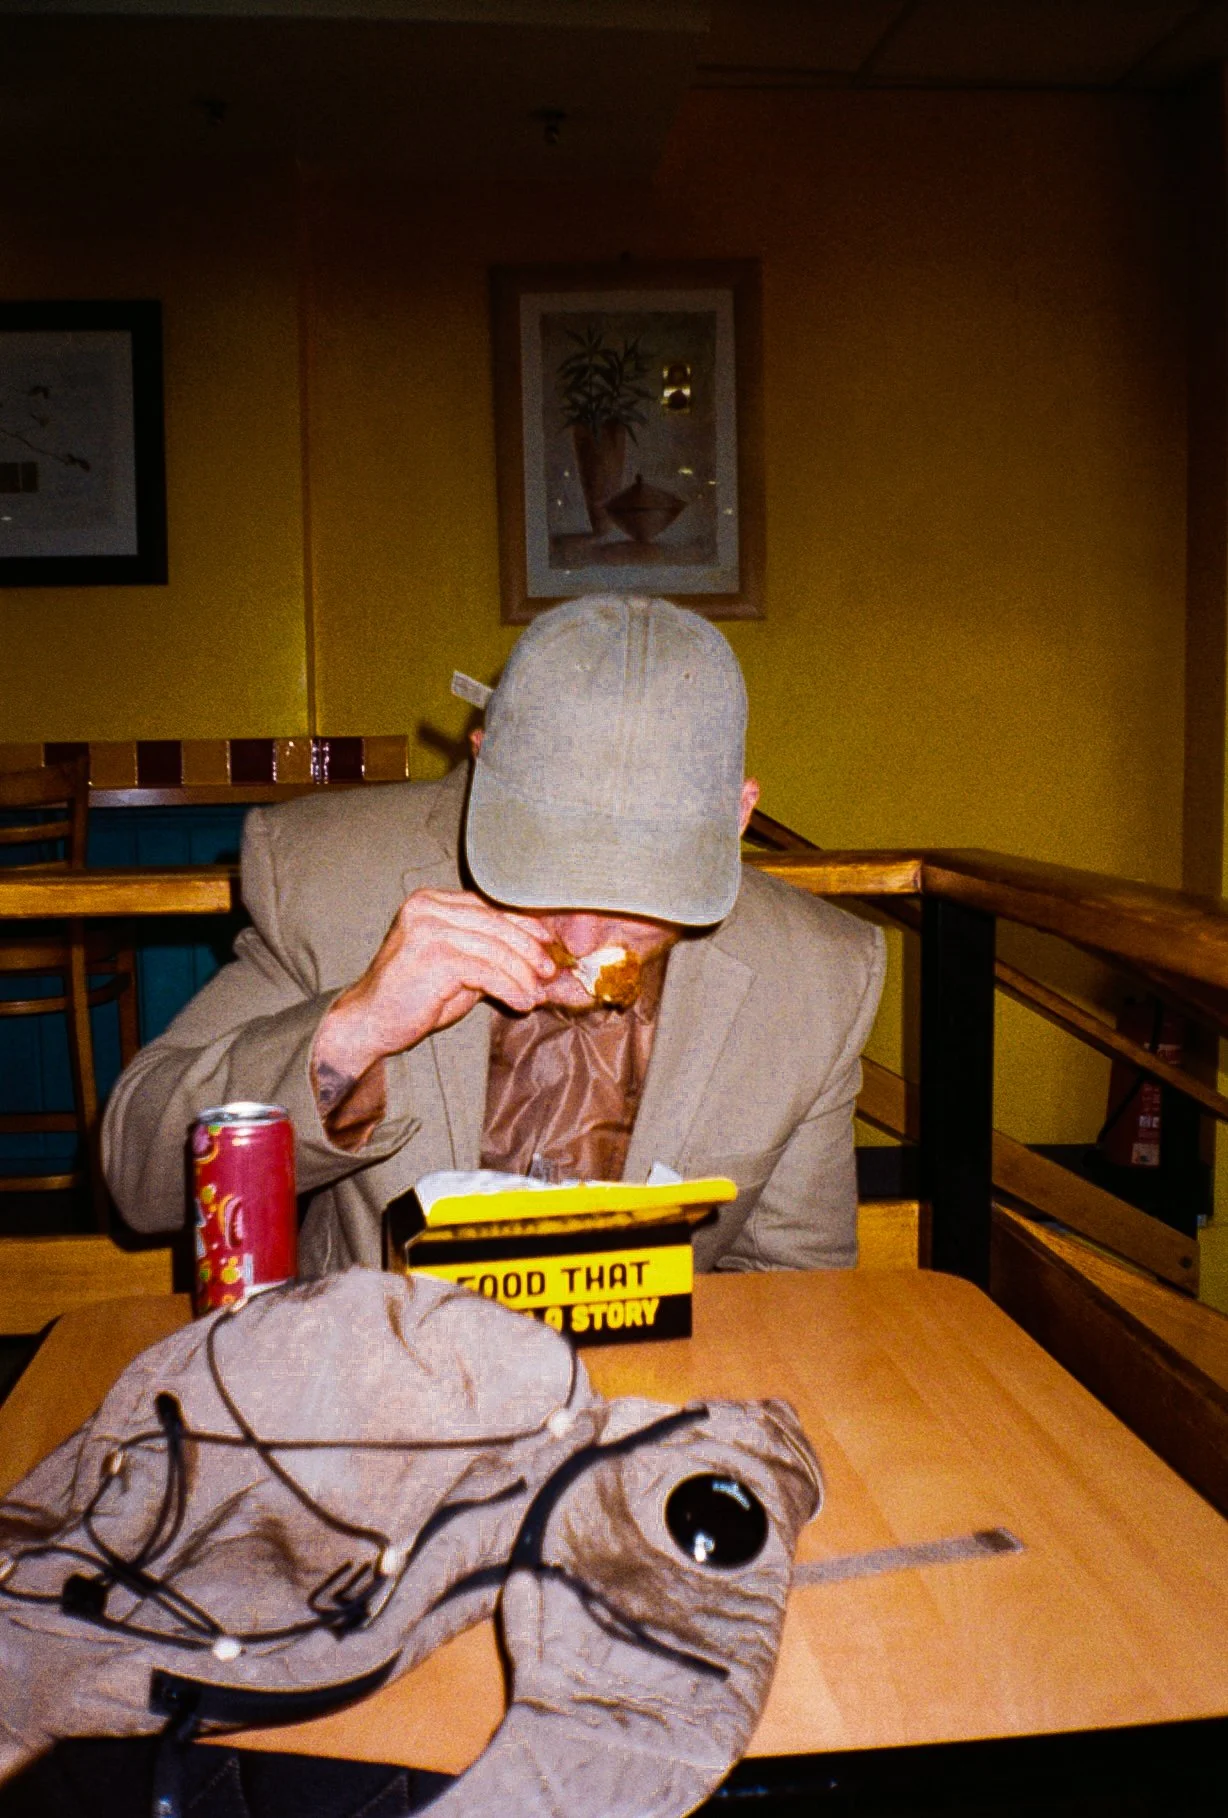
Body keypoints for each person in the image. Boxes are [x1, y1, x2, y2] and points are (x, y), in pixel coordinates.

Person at [102, 594, 885, 1274]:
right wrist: (353, 1032)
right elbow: (143, 1180)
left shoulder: (816, 977)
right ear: (483, 767)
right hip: (377, 1385)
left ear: (736, 818)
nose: (579, 934)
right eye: (540, 870)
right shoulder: (329, 877)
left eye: (638, 891)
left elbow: (797, 1293)